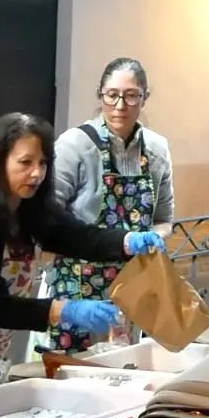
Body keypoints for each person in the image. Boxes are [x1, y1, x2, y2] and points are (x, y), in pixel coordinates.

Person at [0, 113, 167, 362]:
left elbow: (81, 238)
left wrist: (129, 241)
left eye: (43, 163)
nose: (37, 173)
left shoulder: (31, 209)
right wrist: (66, 310)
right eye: (25, 163)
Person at [50, 56, 176, 352]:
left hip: (134, 286)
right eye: (112, 95)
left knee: (130, 364)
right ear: (101, 95)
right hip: (80, 286)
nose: (120, 105)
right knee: (77, 369)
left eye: (131, 95)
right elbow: (49, 218)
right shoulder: (74, 145)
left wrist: (153, 239)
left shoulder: (157, 150)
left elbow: (165, 217)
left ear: (144, 98)